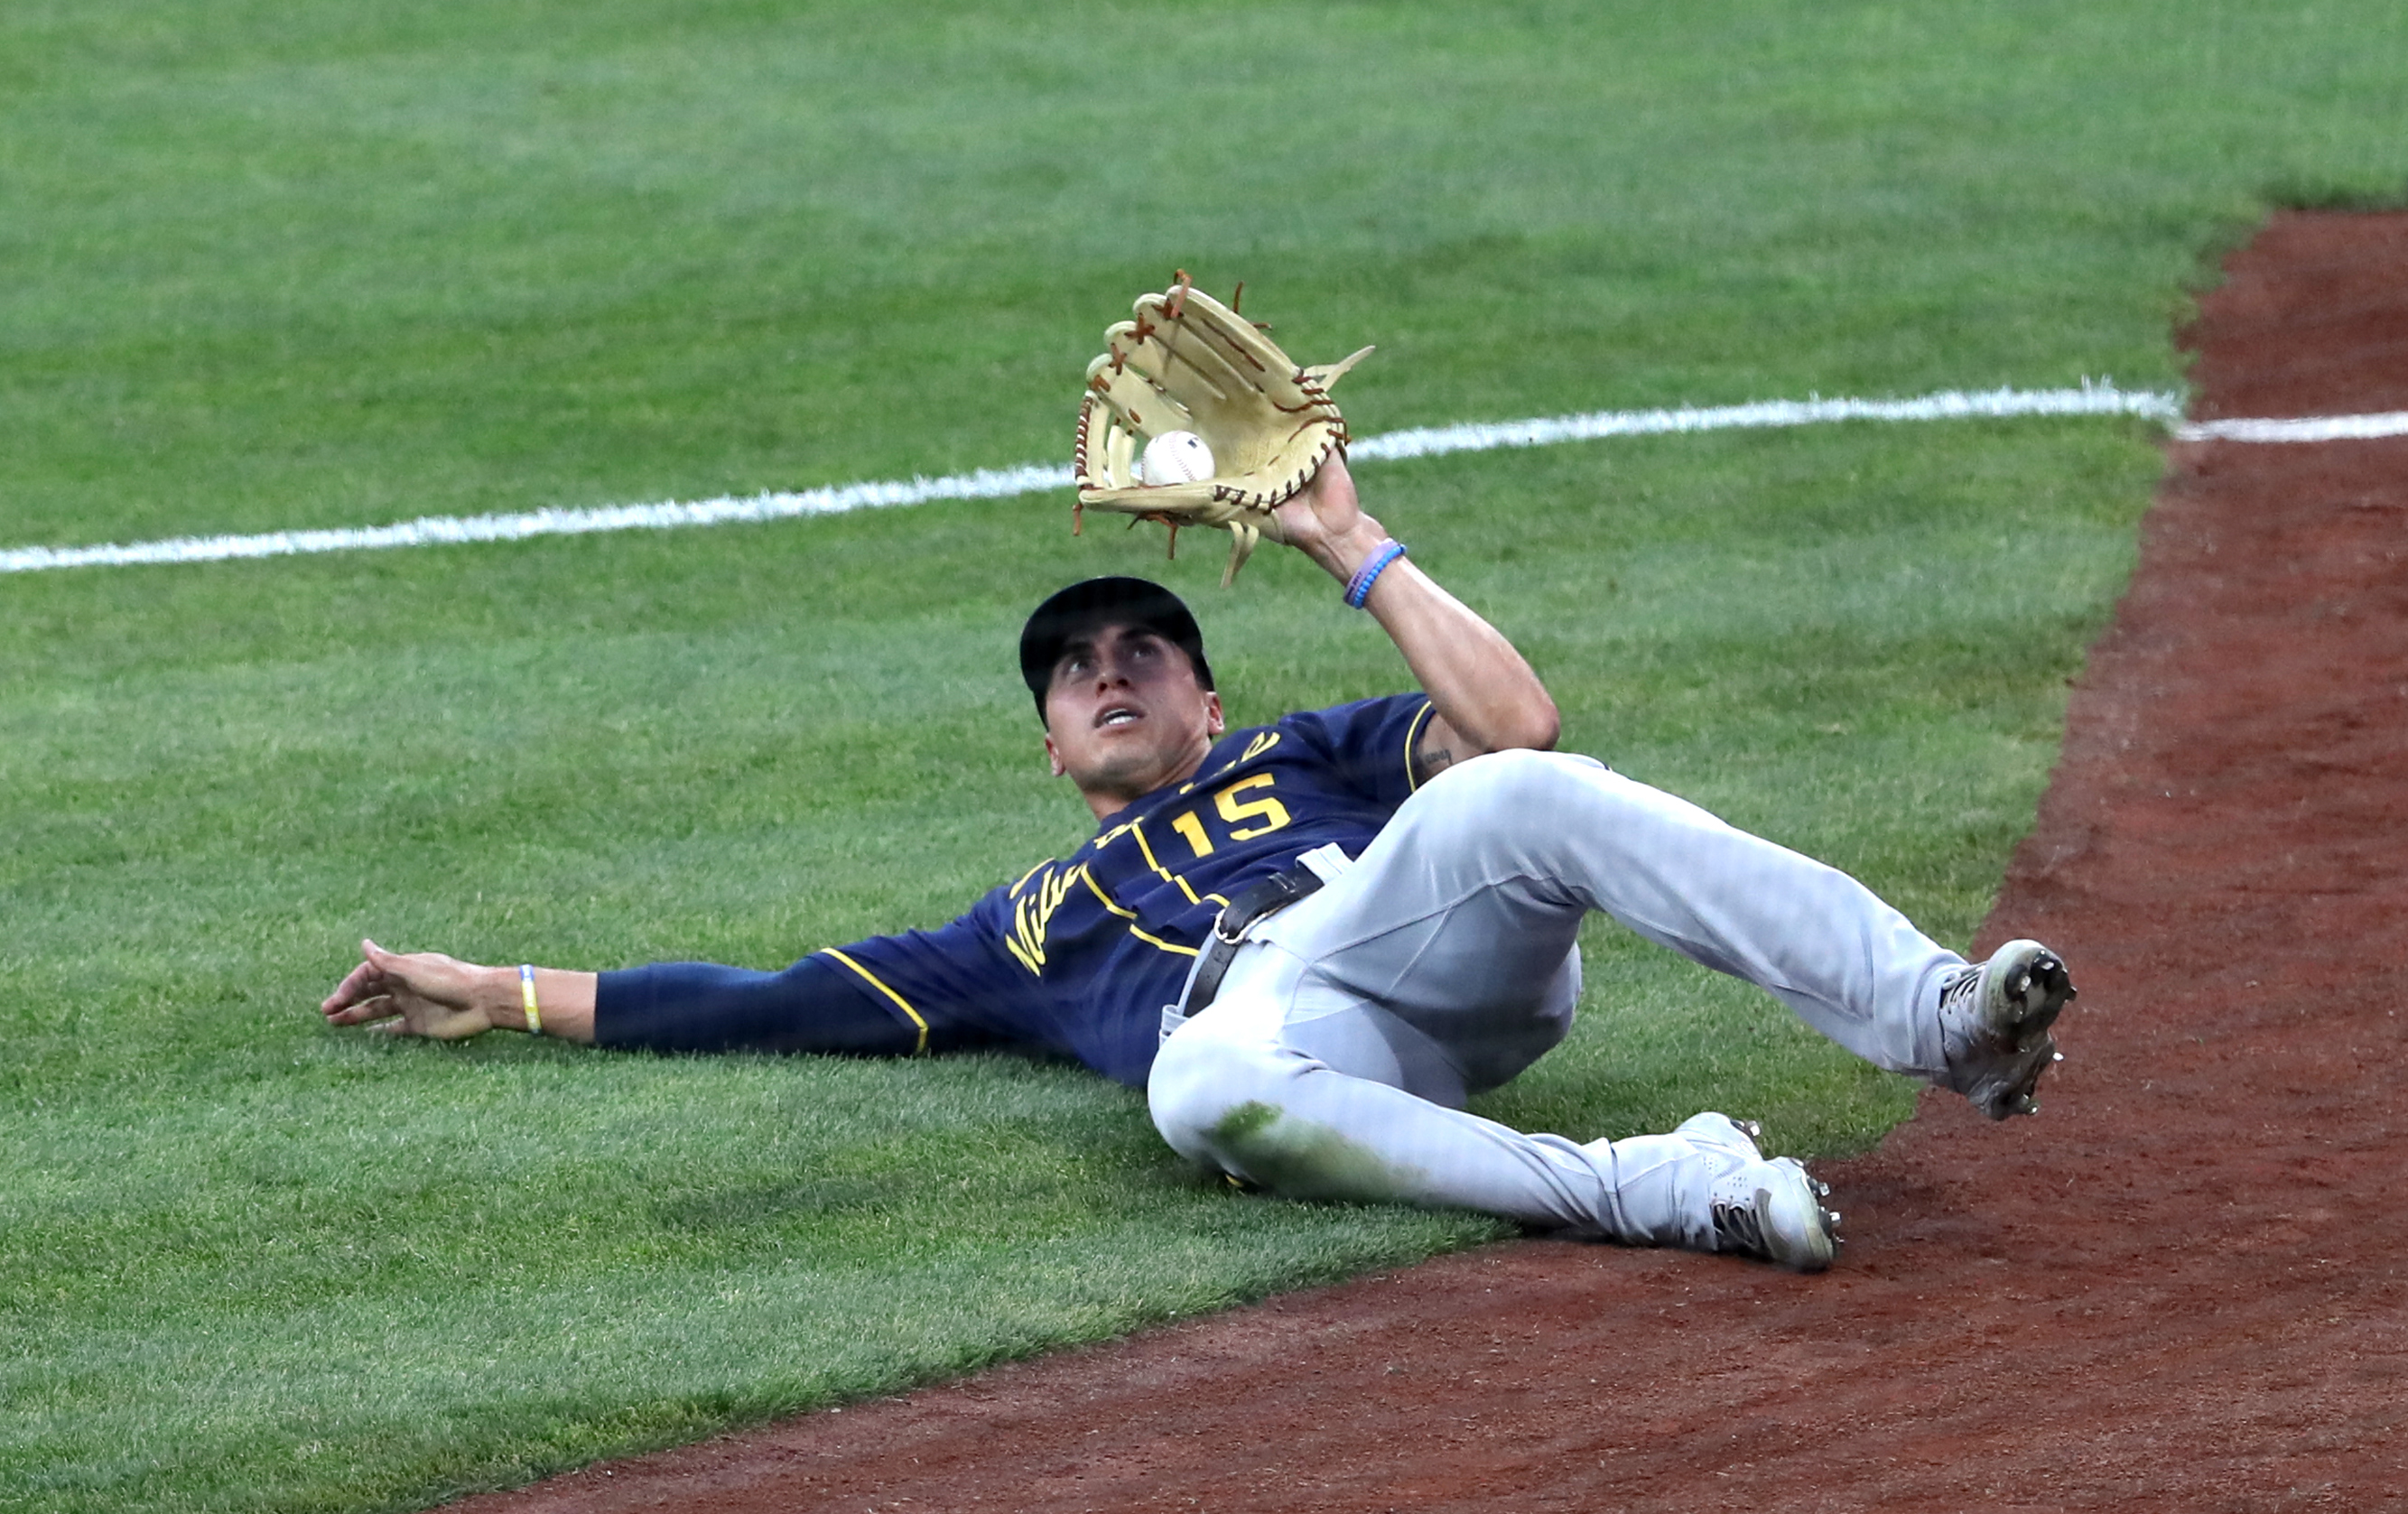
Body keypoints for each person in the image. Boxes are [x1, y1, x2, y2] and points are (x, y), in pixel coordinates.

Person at [322, 453, 2073, 1271]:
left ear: (1201, 688)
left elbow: (1511, 717)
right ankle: (1651, 1181)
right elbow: (765, 998)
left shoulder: (1291, 749)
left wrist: (1345, 537)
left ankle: (1942, 1020)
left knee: (1519, 789)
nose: (1105, 667)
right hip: (1286, 1051)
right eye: (1075, 666)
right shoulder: (1015, 927)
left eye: (1140, 647)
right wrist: (502, 990)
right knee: (1199, 1086)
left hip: (1429, 945)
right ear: (1047, 741)